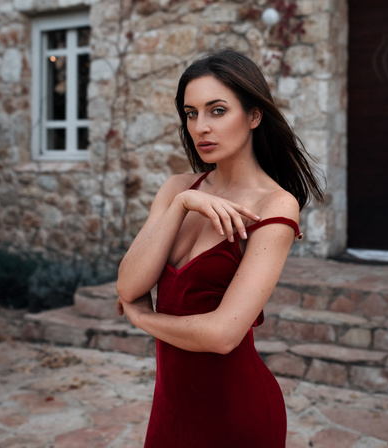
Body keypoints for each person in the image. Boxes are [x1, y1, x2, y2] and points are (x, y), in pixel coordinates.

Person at [116, 49, 323, 447]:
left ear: (253, 115)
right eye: (191, 113)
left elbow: (222, 334)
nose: (200, 127)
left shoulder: (275, 206)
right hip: (170, 410)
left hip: (236, 416)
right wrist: (181, 205)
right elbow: (128, 285)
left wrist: (141, 319)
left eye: (217, 110)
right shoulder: (177, 189)